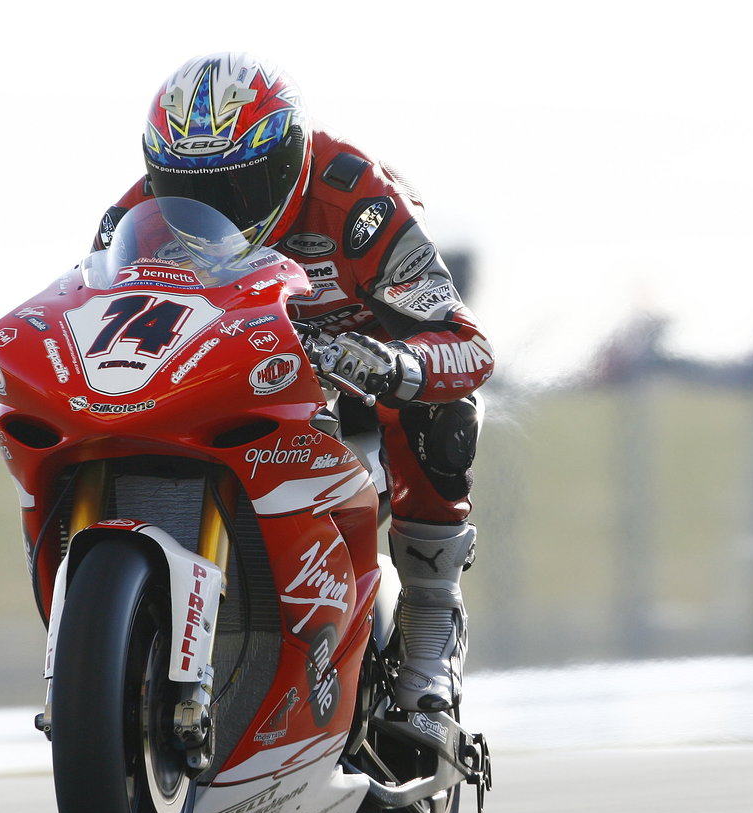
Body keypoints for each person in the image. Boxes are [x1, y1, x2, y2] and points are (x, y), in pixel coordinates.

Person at [93, 51, 492, 713]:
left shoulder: (357, 197)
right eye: (188, 190)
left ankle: (432, 618)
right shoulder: (135, 216)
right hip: (225, 391)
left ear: (290, 161)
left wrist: (394, 364)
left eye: (235, 191)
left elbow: (465, 341)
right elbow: (98, 314)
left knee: (438, 410)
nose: (208, 214)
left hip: (353, 394)